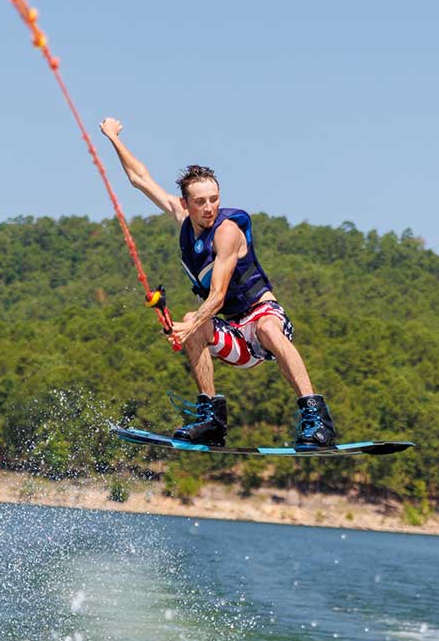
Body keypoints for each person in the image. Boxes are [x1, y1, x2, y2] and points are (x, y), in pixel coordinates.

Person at [99, 117, 337, 448]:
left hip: (263, 316)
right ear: (185, 204)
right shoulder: (182, 218)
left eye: (214, 199)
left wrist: (190, 324)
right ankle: (211, 420)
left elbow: (218, 295)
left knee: (262, 329)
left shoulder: (227, 232)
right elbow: (139, 178)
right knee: (193, 325)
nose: (209, 208)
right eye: (200, 202)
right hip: (235, 333)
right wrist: (113, 137)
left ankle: (316, 419)